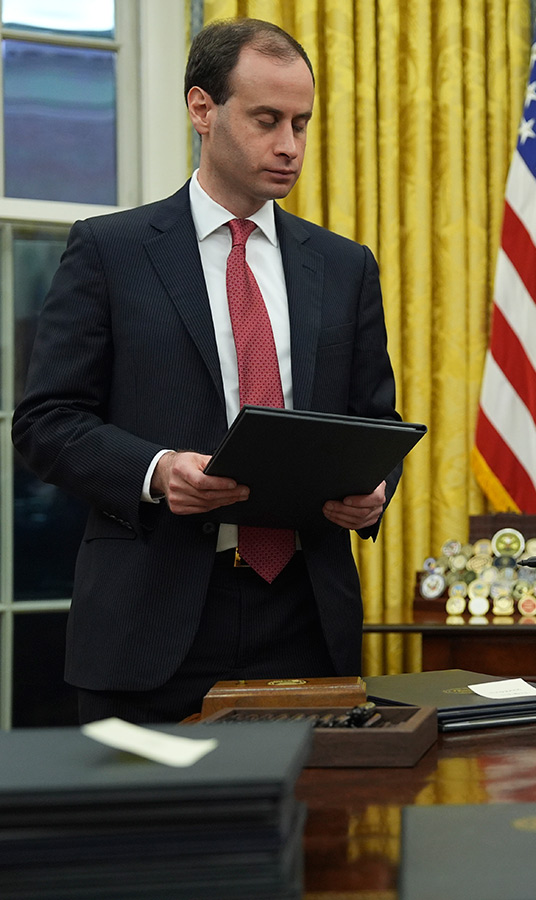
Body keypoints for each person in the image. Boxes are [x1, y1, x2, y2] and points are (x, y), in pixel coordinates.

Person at [11, 18, 402, 724]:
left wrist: (374, 493)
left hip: (307, 618)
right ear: (202, 109)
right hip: (150, 618)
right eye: (266, 120)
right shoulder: (110, 251)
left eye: (302, 123)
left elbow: (376, 422)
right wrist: (157, 471)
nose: (289, 146)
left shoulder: (346, 268)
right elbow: (45, 422)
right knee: (148, 834)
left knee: (311, 834)